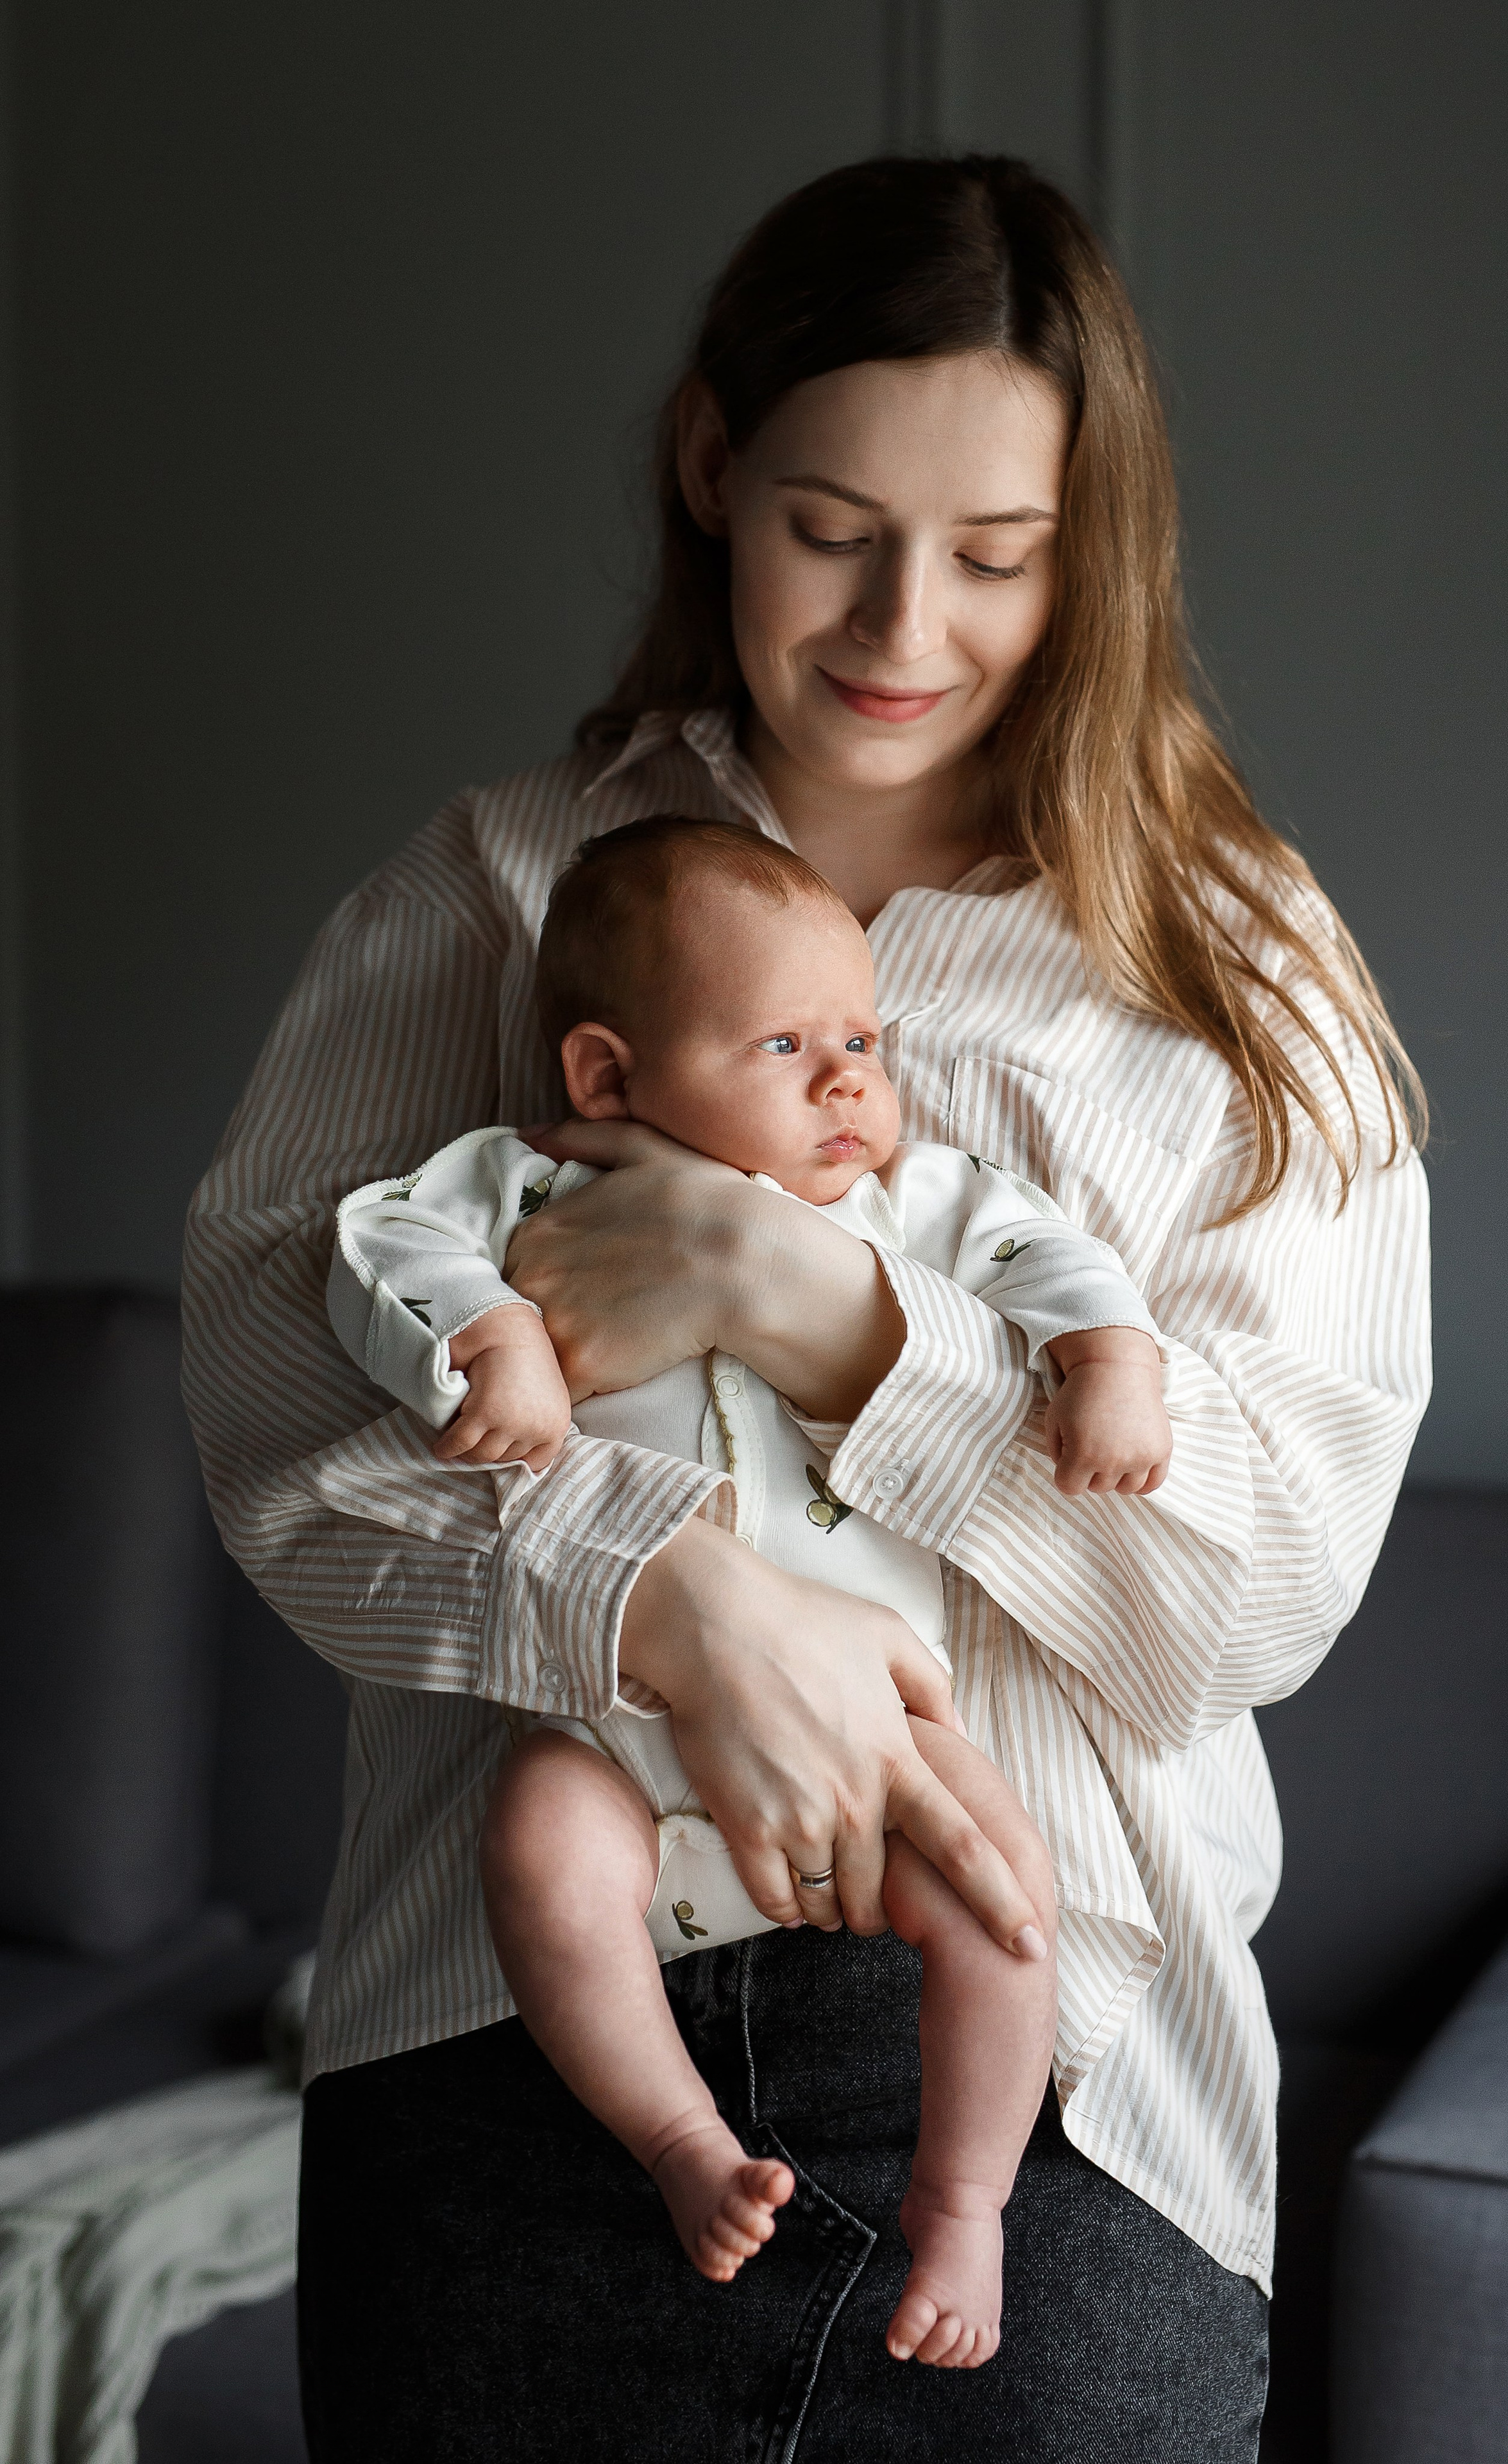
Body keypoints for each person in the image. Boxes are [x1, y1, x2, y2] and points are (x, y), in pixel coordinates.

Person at [182, 154, 1430, 2460]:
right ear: (709, 468)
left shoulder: (1237, 970)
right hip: (510, 2044)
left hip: (1061, 2083)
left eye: (998, 552)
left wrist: (828, 1312)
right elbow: (274, 1414)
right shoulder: (499, 892)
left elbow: (1256, 1586)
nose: (902, 624)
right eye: (831, 527)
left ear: (1094, 545)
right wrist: (658, 1600)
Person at [325, 813, 1174, 2368]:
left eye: (861, 1041)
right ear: (605, 1075)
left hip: (885, 1736)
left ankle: (963, 2202)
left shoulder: (902, 1201)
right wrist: (489, 1339)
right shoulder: (527, 1188)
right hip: (611, 1730)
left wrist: (1107, 1363)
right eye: (785, 1044)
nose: (846, 1082)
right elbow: (379, 1246)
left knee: (1007, 1895)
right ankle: (677, 2137)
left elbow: (1049, 1254)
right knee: (536, 1849)